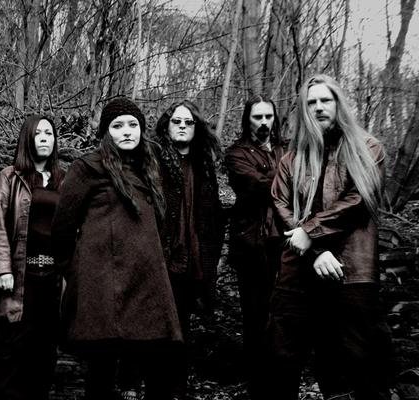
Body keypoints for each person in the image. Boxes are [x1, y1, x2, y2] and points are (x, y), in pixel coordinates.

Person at [269, 74, 392, 400]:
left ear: (339, 103)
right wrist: (315, 250)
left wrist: (310, 232)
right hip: (298, 273)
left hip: (351, 272)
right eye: (311, 102)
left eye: (326, 100)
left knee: (357, 365)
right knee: (282, 360)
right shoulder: (292, 159)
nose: (319, 107)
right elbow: (280, 205)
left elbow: (360, 200)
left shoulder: (368, 148)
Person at [52, 97, 182, 400]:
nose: (127, 131)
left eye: (133, 125)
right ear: (106, 132)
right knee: (102, 372)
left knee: (158, 367)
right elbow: (61, 229)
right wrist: (80, 272)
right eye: (117, 125)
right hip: (104, 288)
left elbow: (158, 224)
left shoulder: (150, 167)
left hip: (147, 285)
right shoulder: (87, 167)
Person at [145, 100, 224, 399]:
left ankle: (176, 392)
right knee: (158, 332)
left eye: (188, 122)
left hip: (192, 264)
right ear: (167, 125)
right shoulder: (154, 158)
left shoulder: (203, 164)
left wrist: (211, 261)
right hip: (161, 260)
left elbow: (213, 216)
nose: (181, 126)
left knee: (182, 333)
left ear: (196, 127)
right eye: (176, 121)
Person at [0, 115, 64, 400]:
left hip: (53, 280)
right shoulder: (10, 176)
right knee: (12, 349)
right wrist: (3, 269)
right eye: (38, 133)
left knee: (45, 354)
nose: (44, 138)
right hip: (21, 277)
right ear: (27, 138)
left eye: (49, 133)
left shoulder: (64, 179)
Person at [225, 95, 284, 399]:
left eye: (268, 117)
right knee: (255, 312)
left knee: (284, 309)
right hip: (251, 241)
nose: (263, 123)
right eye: (257, 117)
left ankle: (279, 374)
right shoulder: (236, 152)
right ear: (247, 119)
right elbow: (256, 185)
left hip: (286, 239)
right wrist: (288, 175)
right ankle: (257, 382)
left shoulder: (286, 148)